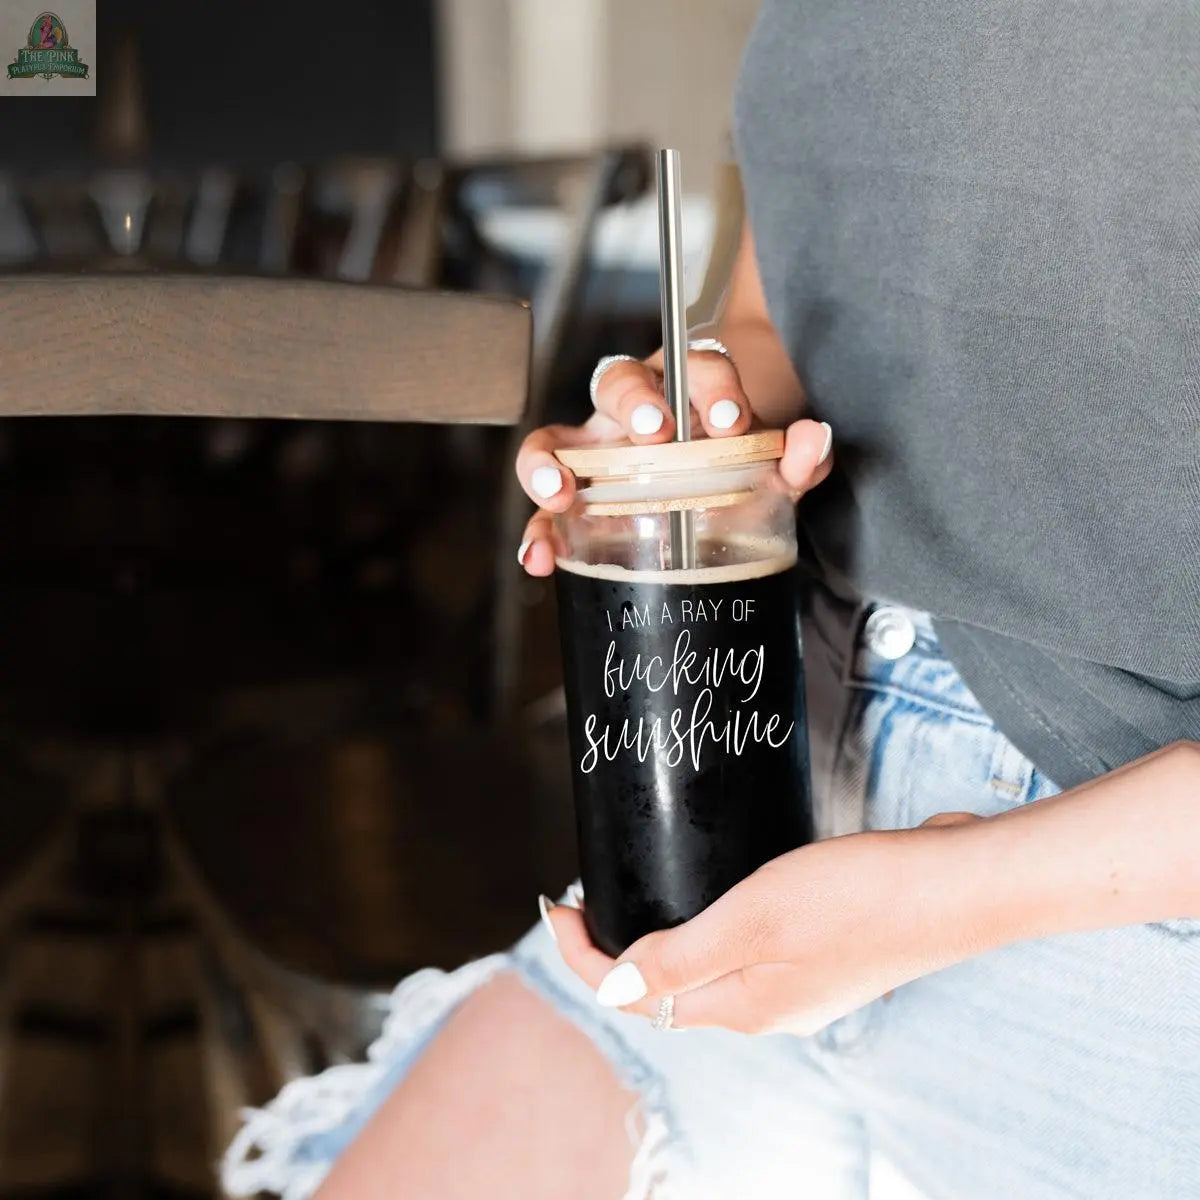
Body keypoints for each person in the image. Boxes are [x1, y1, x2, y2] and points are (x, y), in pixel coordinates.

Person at [224, 2, 1199, 1196]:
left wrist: (969, 890)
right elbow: (777, 317)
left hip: (1123, 903)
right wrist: (694, 424)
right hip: (761, 797)